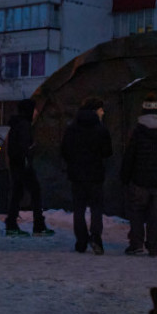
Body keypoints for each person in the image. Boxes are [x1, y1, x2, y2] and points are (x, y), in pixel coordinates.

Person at [119, 92, 157, 257]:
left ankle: (137, 244)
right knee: (156, 215)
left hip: (139, 180)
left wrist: (125, 176)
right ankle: (154, 246)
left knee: (137, 213)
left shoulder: (137, 131)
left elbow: (130, 156)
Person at [60, 96, 113, 255]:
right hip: (96, 174)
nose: (103, 112)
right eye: (101, 109)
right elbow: (107, 152)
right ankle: (96, 238)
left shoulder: (72, 128)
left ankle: (81, 241)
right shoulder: (101, 129)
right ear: (95, 110)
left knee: (79, 208)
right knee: (96, 208)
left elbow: (64, 150)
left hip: (76, 175)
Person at [4, 98, 54, 237]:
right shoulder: (24, 125)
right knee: (35, 192)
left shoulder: (17, 124)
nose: (36, 112)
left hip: (17, 164)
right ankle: (37, 225)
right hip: (23, 165)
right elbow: (24, 146)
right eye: (35, 109)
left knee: (17, 194)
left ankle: (12, 223)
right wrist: (31, 150)